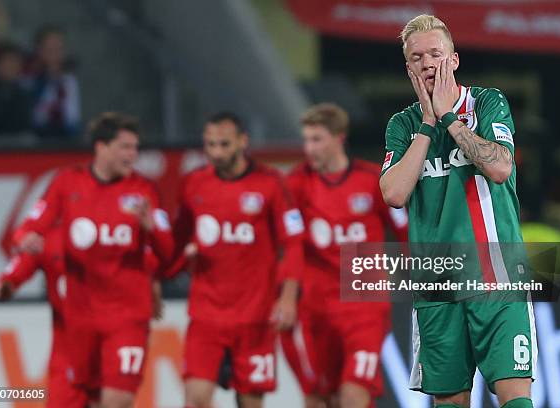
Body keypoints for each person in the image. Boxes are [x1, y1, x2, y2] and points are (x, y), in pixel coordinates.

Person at [380, 15, 536, 408]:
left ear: (454, 60)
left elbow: (500, 167)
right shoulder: (402, 124)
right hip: (436, 280)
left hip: (496, 272)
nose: (428, 63)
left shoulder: (487, 102)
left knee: (514, 392)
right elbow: (395, 194)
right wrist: (429, 124)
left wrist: (449, 118)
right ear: (408, 69)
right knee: (449, 400)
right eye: (418, 57)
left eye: (436, 54)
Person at [14, 112, 174, 408]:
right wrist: (25, 240)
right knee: (84, 398)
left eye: (135, 148)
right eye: (125, 147)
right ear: (101, 147)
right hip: (81, 320)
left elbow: (168, 253)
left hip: (127, 316)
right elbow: (28, 228)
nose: (133, 155)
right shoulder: (67, 184)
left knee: (118, 398)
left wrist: (152, 228)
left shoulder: (144, 191)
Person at [170, 111, 304, 408]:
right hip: (206, 316)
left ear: (243, 142)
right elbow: (176, 241)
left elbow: (293, 241)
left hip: (254, 317)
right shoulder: (193, 184)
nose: (216, 153)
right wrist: (175, 263)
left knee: (250, 402)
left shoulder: (271, 183)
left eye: (224, 145)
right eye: (210, 145)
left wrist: (288, 297)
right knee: (195, 399)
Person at [280, 103, 408, 408]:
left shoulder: (373, 180)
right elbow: (292, 244)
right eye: (306, 139)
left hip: (365, 305)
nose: (308, 148)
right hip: (317, 306)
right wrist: (288, 295)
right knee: (321, 397)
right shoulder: (295, 184)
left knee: (354, 393)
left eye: (317, 139)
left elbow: (405, 232)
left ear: (339, 138)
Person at [0, 227, 165, 407]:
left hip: (106, 344)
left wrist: (152, 290)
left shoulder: (111, 233)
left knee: (115, 401)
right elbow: (16, 270)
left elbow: (147, 263)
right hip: (68, 352)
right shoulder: (48, 240)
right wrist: (7, 284)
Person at [26, 24, 81, 138]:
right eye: (50, 49)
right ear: (39, 51)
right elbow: (32, 117)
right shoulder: (28, 80)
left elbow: (73, 119)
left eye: (59, 48)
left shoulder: (70, 80)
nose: (55, 54)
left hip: (66, 141)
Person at [0, 44, 32, 134]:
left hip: (13, 139)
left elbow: (24, 122)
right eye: (9, 61)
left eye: (16, 62)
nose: (12, 66)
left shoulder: (23, 91)